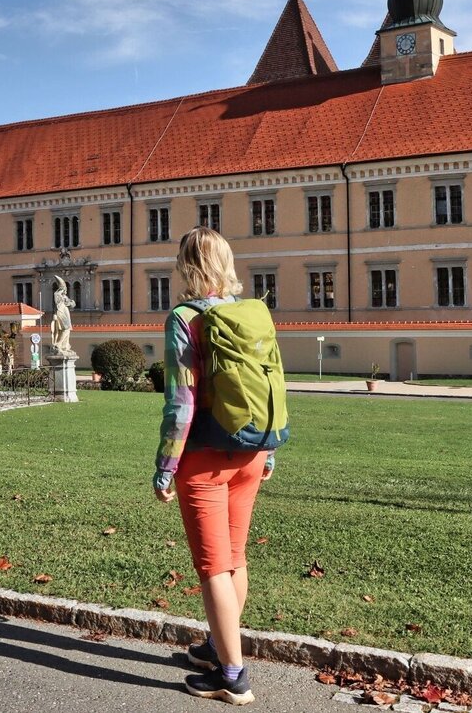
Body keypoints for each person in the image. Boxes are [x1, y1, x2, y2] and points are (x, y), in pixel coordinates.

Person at [153, 227, 274, 706]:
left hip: (204, 458)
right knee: (235, 557)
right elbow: (268, 387)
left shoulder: (184, 317)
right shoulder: (251, 313)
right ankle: (217, 647)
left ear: (187, 267)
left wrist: (166, 466)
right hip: (252, 450)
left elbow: (181, 403)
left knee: (212, 567)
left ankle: (233, 675)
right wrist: (270, 448)